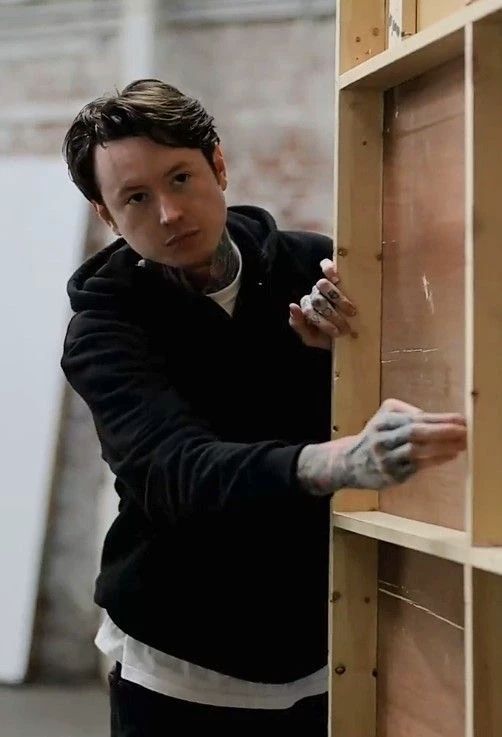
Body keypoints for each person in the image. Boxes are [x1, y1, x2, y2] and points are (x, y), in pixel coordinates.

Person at [60, 79, 467, 736]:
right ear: (107, 214)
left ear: (218, 166)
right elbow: (176, 471)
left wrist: (344, 358)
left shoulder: (318, 269)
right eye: (136, 198)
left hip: (326, 645)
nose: (170, 212)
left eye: (181, 178)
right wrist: (336, 462)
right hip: (179, 662)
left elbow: (412, 382)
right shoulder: (104, 332)